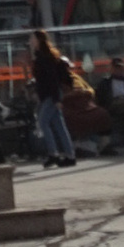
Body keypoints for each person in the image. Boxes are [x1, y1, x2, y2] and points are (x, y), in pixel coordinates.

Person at [29, 30, 80, 169]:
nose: (30, 41)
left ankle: (54, 154)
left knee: (43, 121)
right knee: (58, 125)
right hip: (50, 94)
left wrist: (57, 98)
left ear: (39, 40)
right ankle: (70, 155)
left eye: (32, 38)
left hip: (51, 95)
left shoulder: (44, 57)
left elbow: (51, 79)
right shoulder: (44, 56)